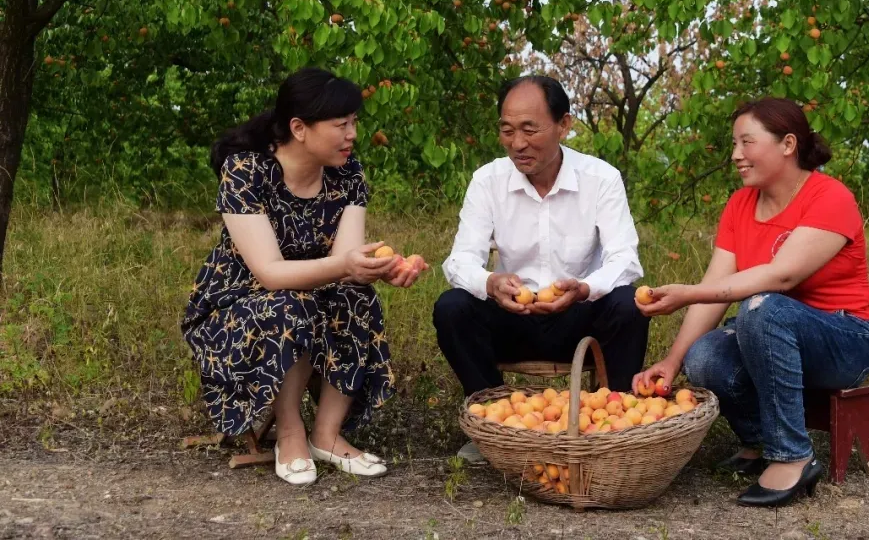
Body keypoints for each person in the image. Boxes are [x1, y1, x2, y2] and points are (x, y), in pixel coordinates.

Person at [182, 67, 427, 486]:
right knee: (289, 305)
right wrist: (347, 266)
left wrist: (379, 270)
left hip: (312, 292)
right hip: (236, 306)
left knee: (356, 296)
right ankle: (290, 433)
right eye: (340, 125)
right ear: (299, 128)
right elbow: (269, 273)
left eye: (354, 122)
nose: (352, 135)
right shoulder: (246, 171)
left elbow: (345, 264)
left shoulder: (347, 173)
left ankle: (326, 435)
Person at [633, 97, 869, 508]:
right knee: (704, 356)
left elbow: (781, 276)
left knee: (762, 305)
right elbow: (715, 286)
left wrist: (687, 293)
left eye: (746, 142)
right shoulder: (740, 205)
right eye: (734, 144)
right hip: (770, 325)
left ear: (788, 144)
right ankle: (762, 440)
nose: (736, 154)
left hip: (845, 338)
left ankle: (792, 456)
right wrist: (672, 361)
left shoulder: (830, 197)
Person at [434, 75, 649, 462]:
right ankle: (494, 422)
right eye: (507, 130)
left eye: (530, 129)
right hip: (514, 317)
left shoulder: (601, 179)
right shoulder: (488, 181)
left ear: (563, 125)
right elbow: (460, 260)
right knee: (452, 307)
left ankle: (613, 424)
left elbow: (625, 260)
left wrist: (584, 289)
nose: (518, 143)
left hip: (578, 317)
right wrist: (491, 282)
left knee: (628, 303)